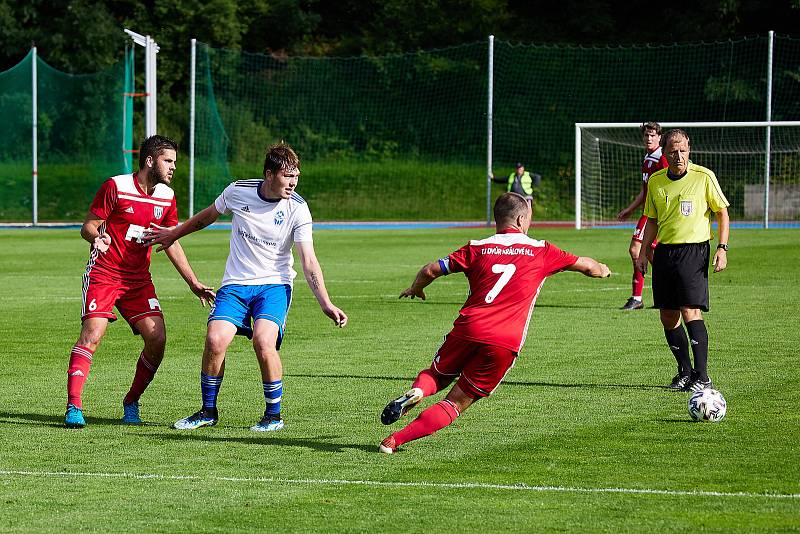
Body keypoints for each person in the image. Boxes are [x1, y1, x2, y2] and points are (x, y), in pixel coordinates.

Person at [378, 192, 611, 453]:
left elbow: (430, 270)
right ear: (522, 219)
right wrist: (604, 269)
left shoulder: (477, 247)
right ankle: (394, 440)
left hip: (468, 328)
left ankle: (418, 392)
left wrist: (415, 288)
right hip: (503, 340)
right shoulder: (542, 250)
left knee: (435, 374)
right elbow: (589, 267)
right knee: (456, 402)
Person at [143, 142, 348, 432]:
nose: (293, 182)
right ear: (269, 174)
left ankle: (273, 416)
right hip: (236, 285)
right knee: (215, 340)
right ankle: (207, 411)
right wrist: (175, 232)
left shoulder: (298, 209)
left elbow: (309, 261)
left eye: (296, 176)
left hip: (274, 286)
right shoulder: (238, 191)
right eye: (288, 176)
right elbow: (207, 216)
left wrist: (325, 303)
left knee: (263, 342)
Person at [64, 135, 216, 429]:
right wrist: (98, 238)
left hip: (138, 281)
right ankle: (74, 406)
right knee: (93, 334)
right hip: (105, 273)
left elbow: (170, 241)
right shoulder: (116, 186)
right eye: (168, 161)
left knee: (157, 339)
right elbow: (88, 225)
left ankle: (131, 401)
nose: (173, 167)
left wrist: (192, 282)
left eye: (174, 162)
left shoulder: (166, 197)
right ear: (150, 161)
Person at [634, 129, 729, 392]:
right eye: (673, 151)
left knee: (690, 310)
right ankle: (685, 372)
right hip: (665, 252)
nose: (679, 156)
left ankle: (703, 376)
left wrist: (722, 247)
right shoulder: (656, 181)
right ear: (664, 153)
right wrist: (642, 254)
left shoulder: (704, 176)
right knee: (667, 315)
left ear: (690, 150)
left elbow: (722, 213)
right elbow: (651, 220)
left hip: (694, 250)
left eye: (683, 150)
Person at [617, 122, 669, 310]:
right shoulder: (648, 158)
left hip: (655, 214)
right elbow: (644, 191)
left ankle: (638, 297)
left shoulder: (662, 159)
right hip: (647, 212)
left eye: (652, 135)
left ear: (659, 137)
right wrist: (629, 209)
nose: (649, 138)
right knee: (650, 254)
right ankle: (666, 292)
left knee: (636, 250)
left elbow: (668, 188)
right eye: (646, 135)